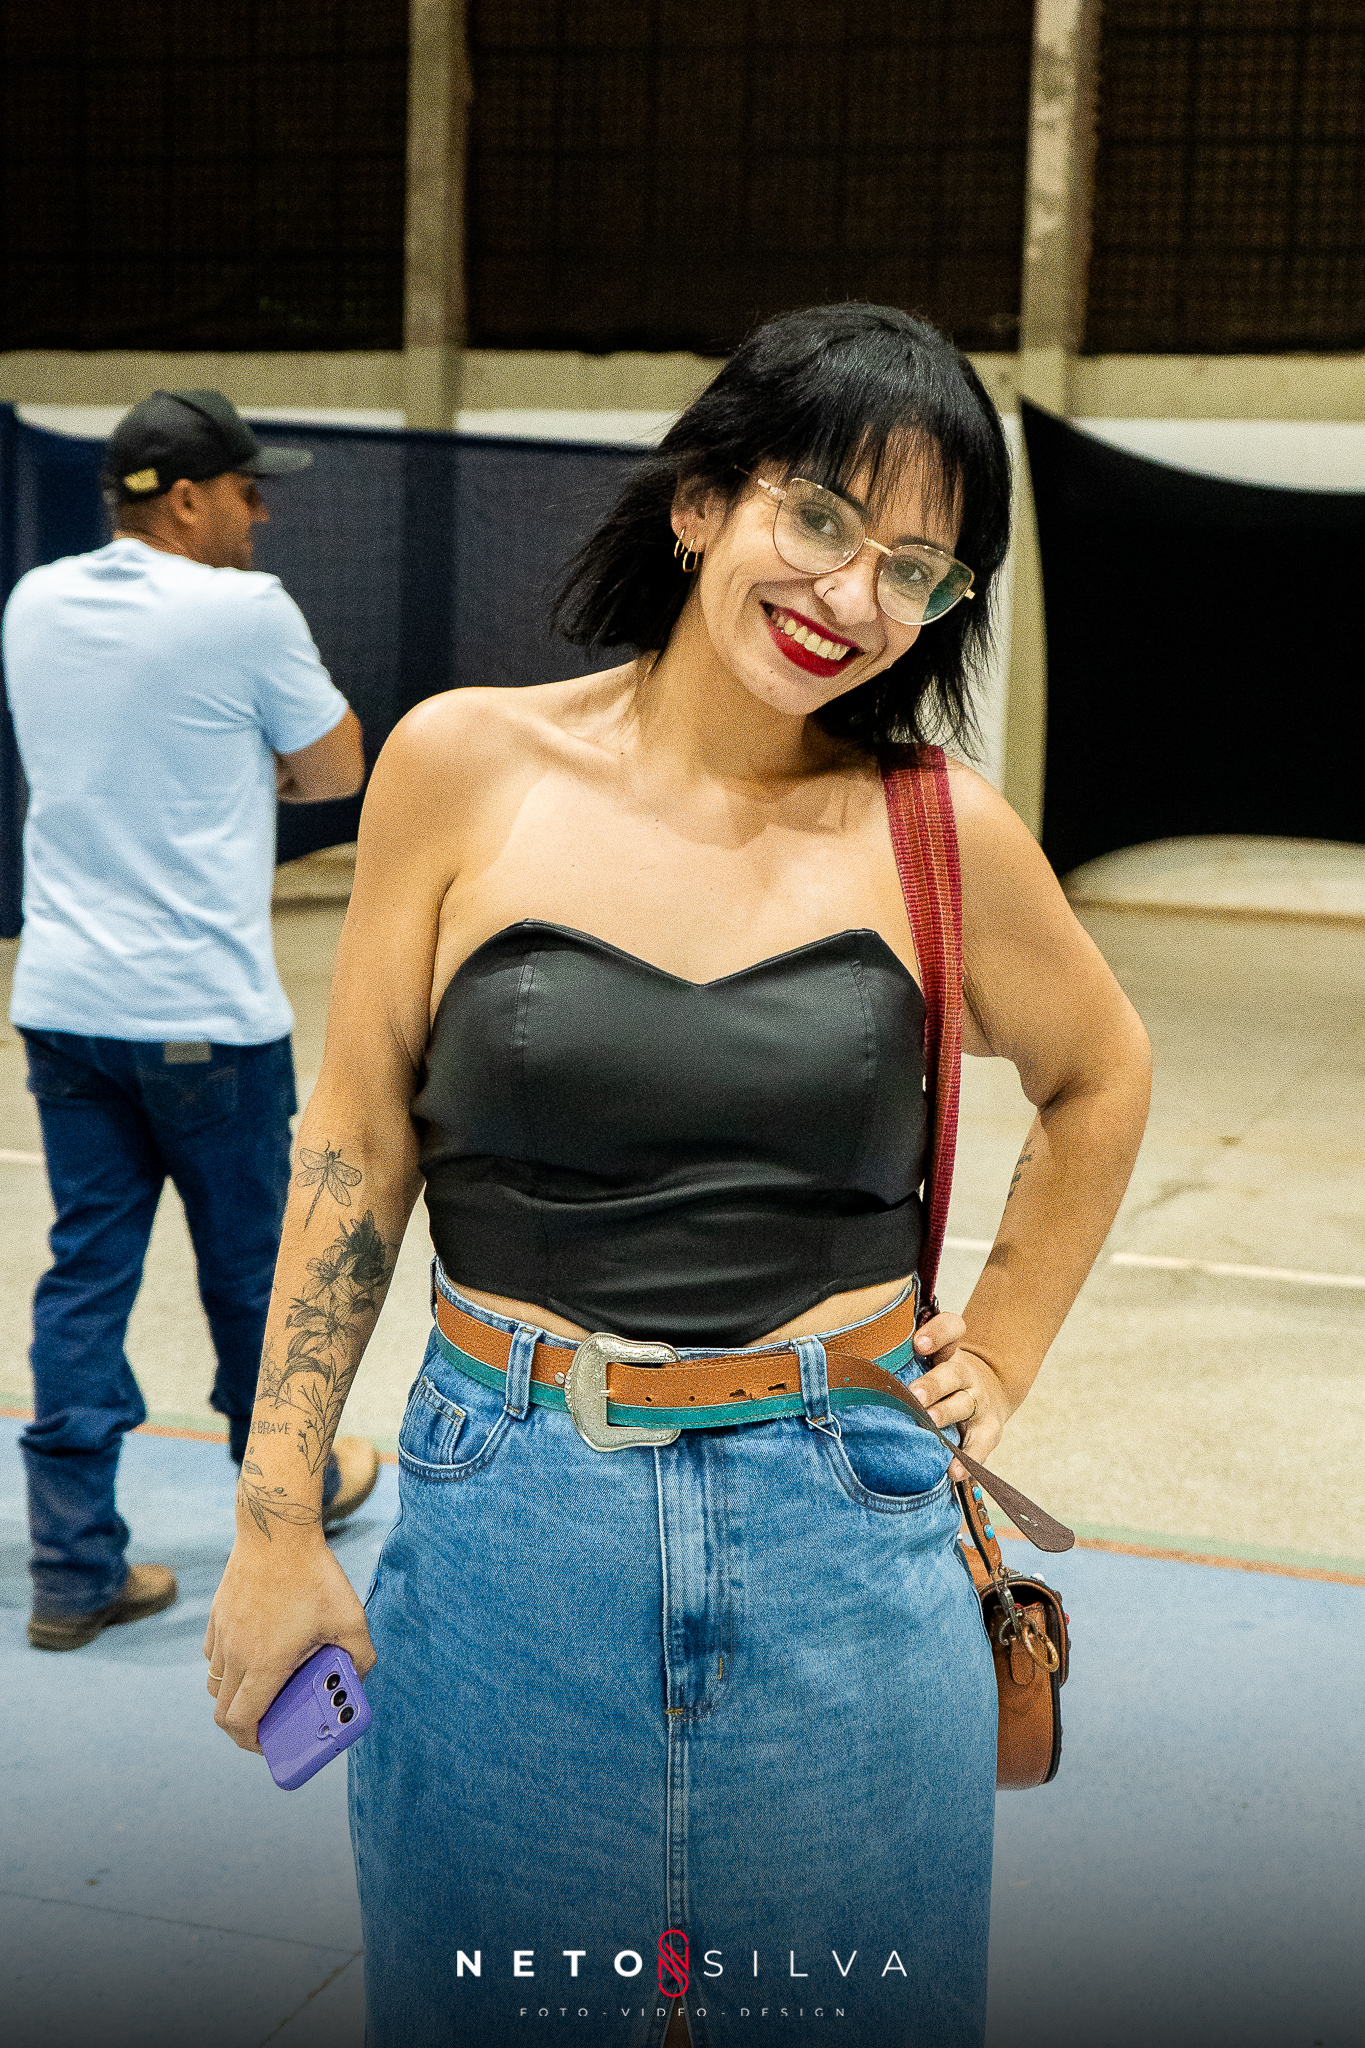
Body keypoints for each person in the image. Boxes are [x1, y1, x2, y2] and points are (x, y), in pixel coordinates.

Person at [204, 308, 1151, 2048]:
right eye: (823, 517)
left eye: (917, 569)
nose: (853, 593)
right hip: (508, 1526)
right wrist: (273, 1517)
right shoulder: (462, 765)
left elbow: (1103, 1073)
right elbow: (354, 1137)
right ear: (702, 501)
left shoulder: (943, 828)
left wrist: (1006, 1342)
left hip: (844, 1524)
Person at [4, 388, 378, 1653]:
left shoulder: (33, 602)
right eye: (244, 490)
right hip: (207, 1025)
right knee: (255, 1284)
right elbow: (338, 767)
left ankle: (72, 1570)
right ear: (182, 499)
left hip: (64, 1010)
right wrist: (246, 760)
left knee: (84, 1276)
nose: (259, 512)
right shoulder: (244, 612)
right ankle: (290, 1514)